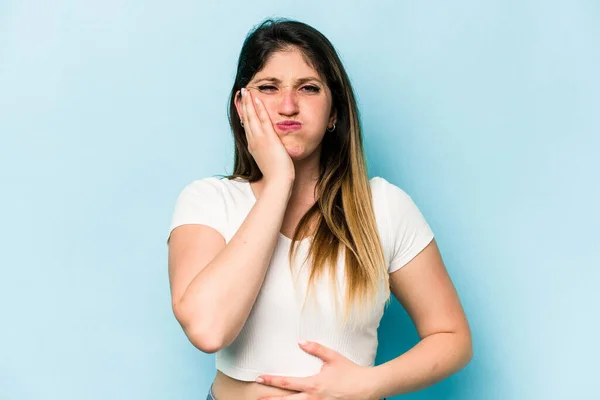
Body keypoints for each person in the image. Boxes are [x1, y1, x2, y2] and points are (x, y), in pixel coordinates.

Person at [167, 17, 472, 400]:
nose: (288, 106)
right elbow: (208, 330)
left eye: (308, 88)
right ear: (242, 106)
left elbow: (452, 336)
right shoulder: (208, 201)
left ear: (333, 114)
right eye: (268, 87)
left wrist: (369, 383)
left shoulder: (383, 207)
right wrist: (279, 181)